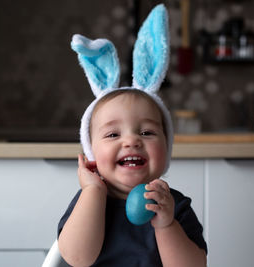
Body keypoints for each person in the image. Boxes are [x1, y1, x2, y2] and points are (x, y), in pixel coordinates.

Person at [58, 4, 207, 266]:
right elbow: (77, 258)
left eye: (147, 132)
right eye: (113, 134)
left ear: (167, 146)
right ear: (91, 152)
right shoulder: (89, 202)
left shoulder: (175, 207)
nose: (131, 141)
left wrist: (166, 225)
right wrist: (93, 191)